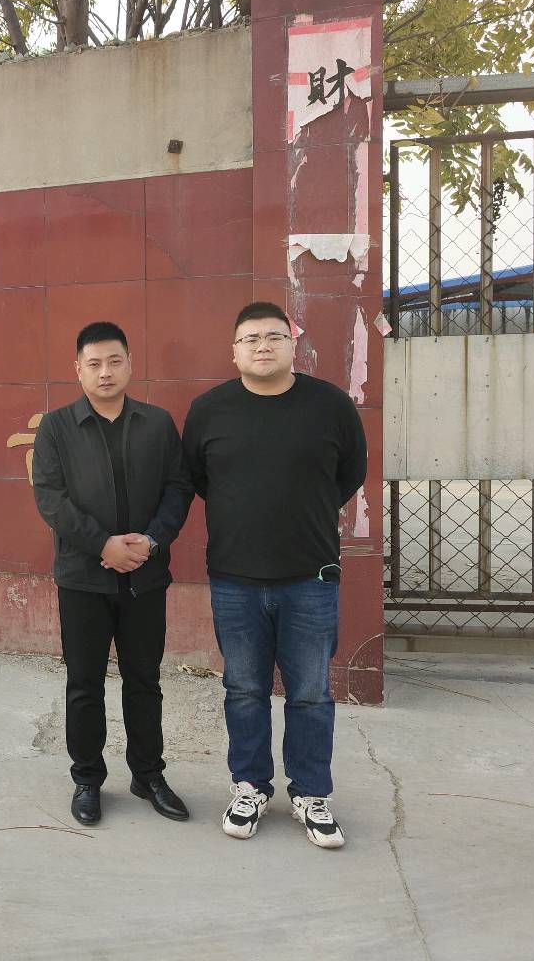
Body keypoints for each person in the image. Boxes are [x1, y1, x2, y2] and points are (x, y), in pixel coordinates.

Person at [182, 301, 367, 849]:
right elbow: (198, 478)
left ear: (293, 344)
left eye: (273, 337)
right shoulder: (209, 410)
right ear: (234, 351)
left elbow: (350, 471)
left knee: (310, 693)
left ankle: (311, 793)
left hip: (310, 576)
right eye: (250, 339)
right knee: (243, 689)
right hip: (234, 578)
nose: (262, 346)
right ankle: (250, 786)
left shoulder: (329, 405)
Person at [32, 321, 194, 826]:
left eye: (114, 361)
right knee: (85, 683)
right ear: (78, 370)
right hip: (83, 578)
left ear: (130, 365)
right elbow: (50, 497)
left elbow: (178, 488)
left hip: (145, 575)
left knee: (144, 680)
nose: (105, 372)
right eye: (95, 363)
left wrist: (151, 541)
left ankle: (148, 775)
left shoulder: (157, 424)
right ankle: (87, 779)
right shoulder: (57, 427)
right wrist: (103, 544)